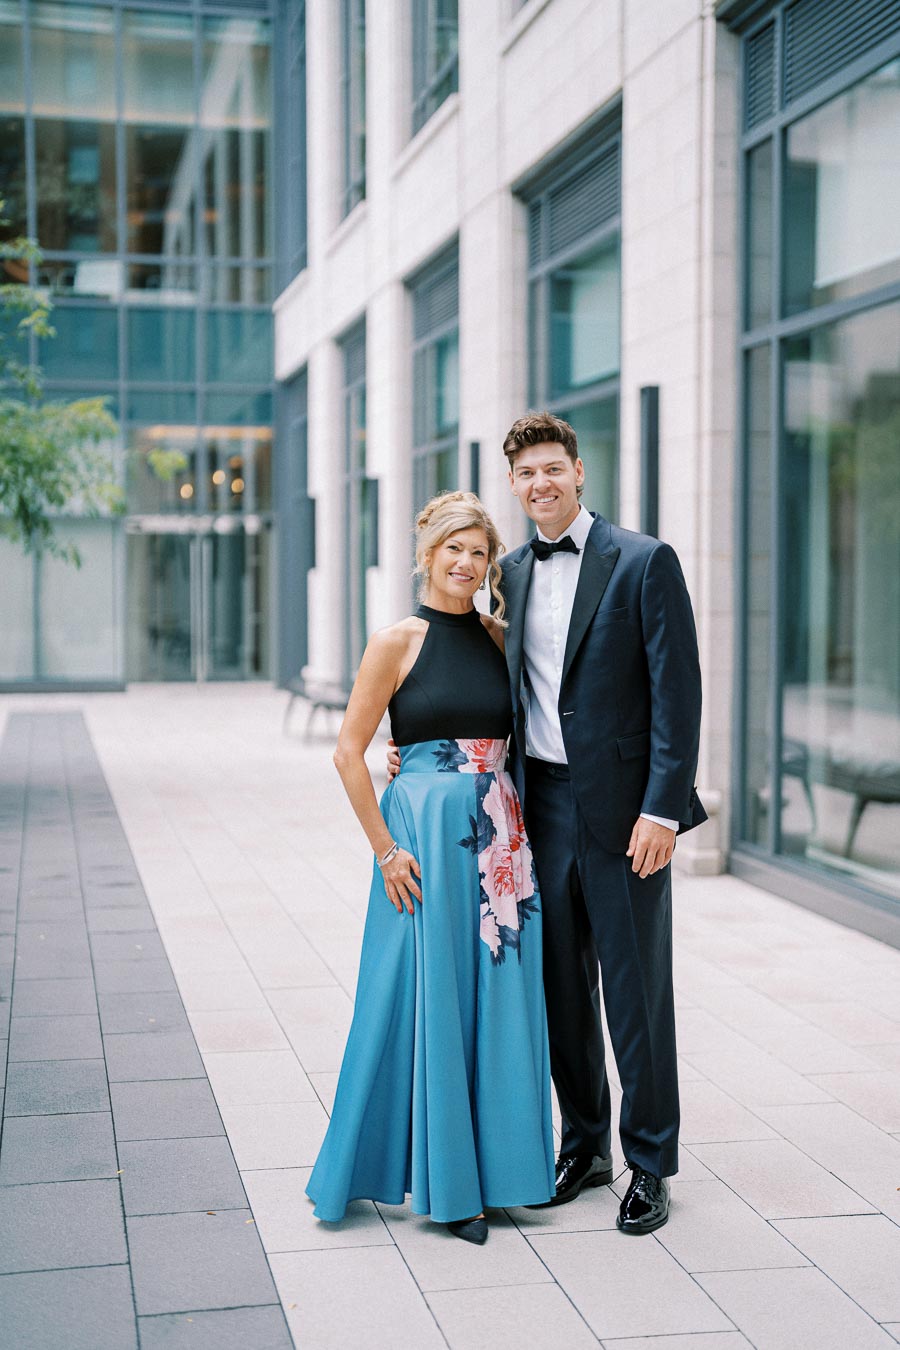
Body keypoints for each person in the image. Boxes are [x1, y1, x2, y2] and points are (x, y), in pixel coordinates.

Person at [306, 491, 555, 1245]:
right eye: (454, 548)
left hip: (499, 840)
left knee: (499, 1003)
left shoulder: (498, 635)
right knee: (414, 999)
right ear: (427, 551)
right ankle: (446, 1189)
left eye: (479, 552)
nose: (467, 563)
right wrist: (385, 847)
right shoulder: (395, 640)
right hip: (421, 842)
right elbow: (350, 751)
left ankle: (502, 1174)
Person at [498, 411, 706, 1234]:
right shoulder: (507, 574)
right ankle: (582, 1145)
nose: (541, 484)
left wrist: (663, 806)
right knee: (559, 989)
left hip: (625, 815)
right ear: (513, 487)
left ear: (579, 472)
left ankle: (649, 1161)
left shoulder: (644, 561)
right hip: (538, 805)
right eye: (525, 475)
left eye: (553, 468)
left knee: (635, 992)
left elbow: (677, 696)